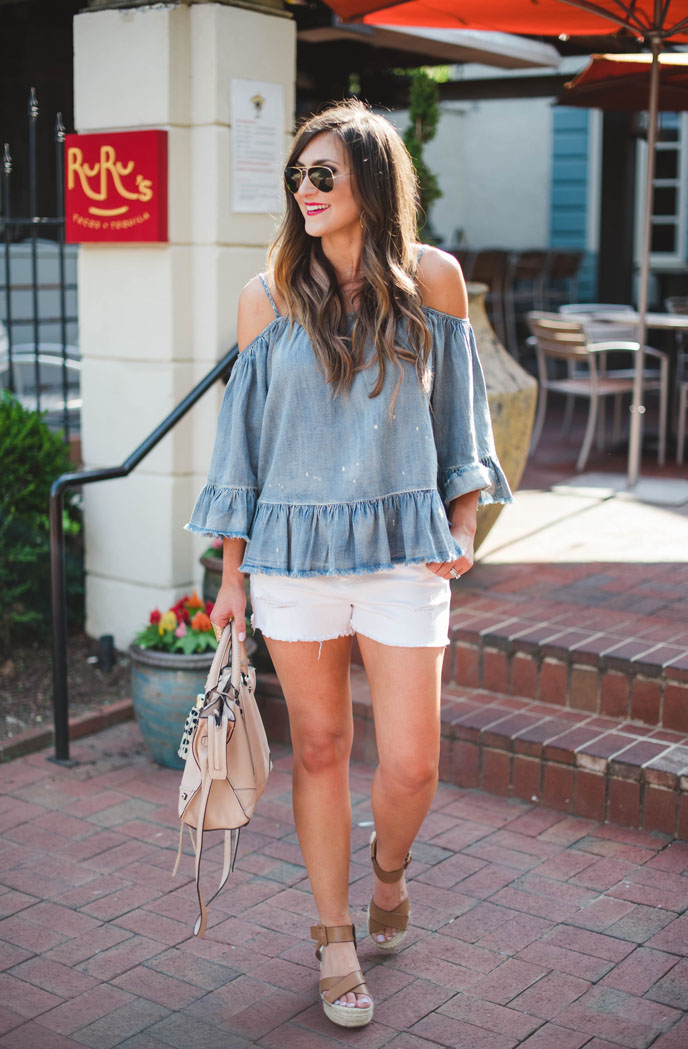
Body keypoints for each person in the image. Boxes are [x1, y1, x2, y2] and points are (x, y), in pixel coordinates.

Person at [186, 99, 511, 1029]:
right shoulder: (268, 295)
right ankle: (333, 939)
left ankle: (388, 872)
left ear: (372, 180)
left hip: (406, 554)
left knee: (410, 764)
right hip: (291, 557)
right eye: (297, 176)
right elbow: (242, 450)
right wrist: (231, 575)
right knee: (321, 748)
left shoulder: (433, 281)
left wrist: (463, 518)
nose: (306, 190)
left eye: (323, 174)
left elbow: (464, 418)